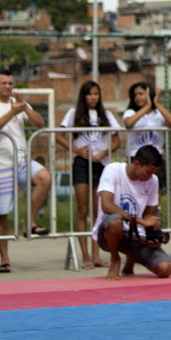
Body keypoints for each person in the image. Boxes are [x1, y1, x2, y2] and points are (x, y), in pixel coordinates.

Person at [0, 69, 49, 272]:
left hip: (21, 160)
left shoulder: (17, 103)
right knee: (2, 213)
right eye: (4, 83)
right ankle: (5, 258)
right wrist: (12, 113)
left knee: (44, 177)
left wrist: (24, 108)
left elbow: (39, 123)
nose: (8, 87)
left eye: (10, 83)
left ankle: (29, 222)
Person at [56, 80, 120, 270]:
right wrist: (76, 150)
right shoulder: (73, 114)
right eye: (90, 94)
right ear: (83, 96)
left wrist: (103, 153)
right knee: (82, 210)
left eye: (96, 94)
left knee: (98, 210)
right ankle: (85, 256)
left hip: (100, 163)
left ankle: (96, 254)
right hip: (82, 164)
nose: (93, 98)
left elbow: (116, 140)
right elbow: (59, 136)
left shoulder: (106, 115)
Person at [94, 145, 171, 281]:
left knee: (165, 269)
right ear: (137, 164)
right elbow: (106, 206)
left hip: (134, 234)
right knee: (115, 221)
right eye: (148, 172)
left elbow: (150, 214)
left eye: (153, 173)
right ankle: (115, 259)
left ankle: (132, 260)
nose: (150, 177)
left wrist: (152, 233)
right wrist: (140, 221)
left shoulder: (153, 181)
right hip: (108, 232)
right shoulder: (113, 170)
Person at [122, 82, 171, 160]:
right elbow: (128, 123)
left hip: (156, 155)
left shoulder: (157, 113)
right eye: (135, 95)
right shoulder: (131, 112)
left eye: (141, 94)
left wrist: (156, 103)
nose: (138, 97)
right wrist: (147, 106)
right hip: (136, 155)